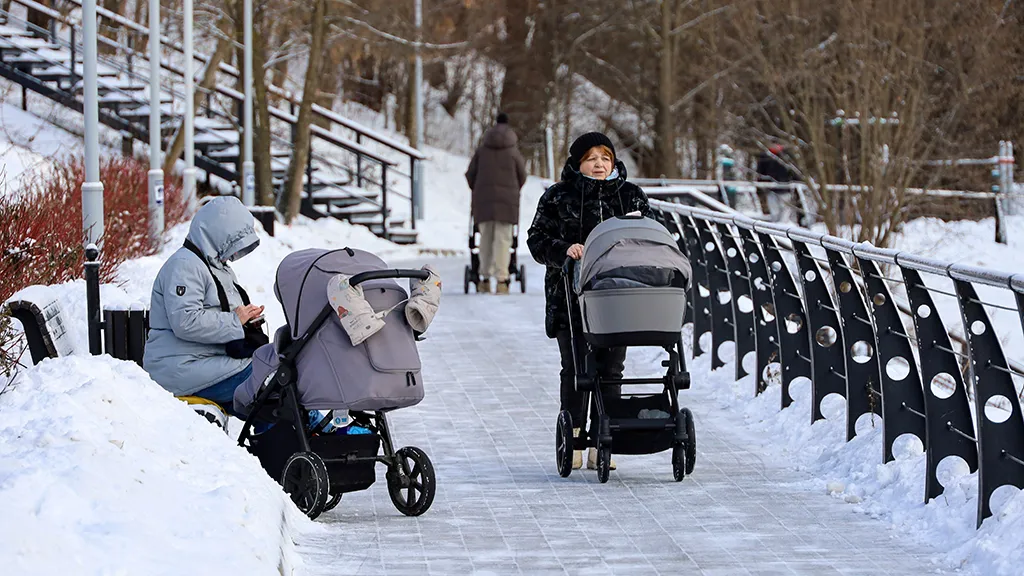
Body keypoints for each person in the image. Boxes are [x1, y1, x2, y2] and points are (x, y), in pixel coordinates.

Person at [527, 132, 651, 471]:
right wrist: (564, 249)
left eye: (605, 158)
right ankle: (575, 434)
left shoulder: (631, 196)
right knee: (576, 367)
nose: (599, 164)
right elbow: (536, 239)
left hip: (617, 297)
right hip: (568, 295)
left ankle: (604, 436)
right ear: (578, 162)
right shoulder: (557, 196)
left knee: (612, 369)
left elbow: (652, 236)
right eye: (591, 158)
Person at [143, 196, 266, 421]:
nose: (233, 253)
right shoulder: (185, 266)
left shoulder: (213, 266)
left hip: (202, 362)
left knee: (272, 387)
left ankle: (295, 441)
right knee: (264, 384)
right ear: (218, 236)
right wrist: (235, 320)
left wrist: (246, 320)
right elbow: (185, 322)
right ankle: (299, 442)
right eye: (232, 243)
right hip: (181, 368)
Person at [465, 112, 528, 295]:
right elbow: (522, 176)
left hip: (483, 203)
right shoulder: (513, 152)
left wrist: (479, 191)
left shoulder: (481, 151)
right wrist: (512, 190)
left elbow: (470, 175)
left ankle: (483, 278)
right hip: (507, 204)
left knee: (485, 239)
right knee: (503, 240)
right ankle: (502, 280)